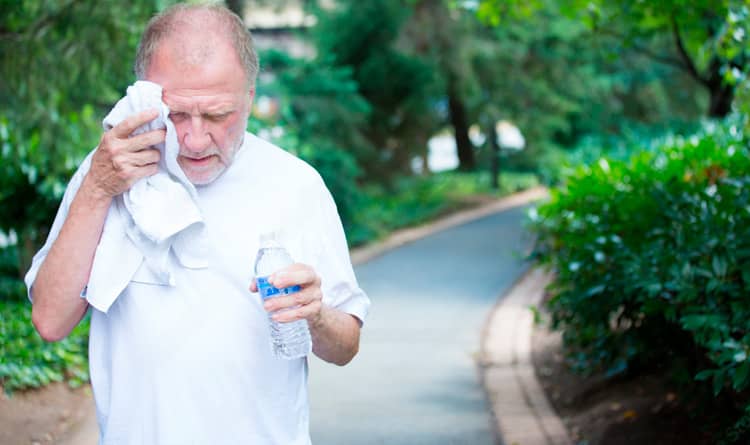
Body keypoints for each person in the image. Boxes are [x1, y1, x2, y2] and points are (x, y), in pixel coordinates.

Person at [24, 4, 369, 444]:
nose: (194, 139)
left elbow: (345, 348)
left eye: (217, 115)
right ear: (145, 97)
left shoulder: (296, 185)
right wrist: (97, 189)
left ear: (250, 96)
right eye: (176, 115)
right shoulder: (109, 171)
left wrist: (315, 315)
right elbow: (50, 321)